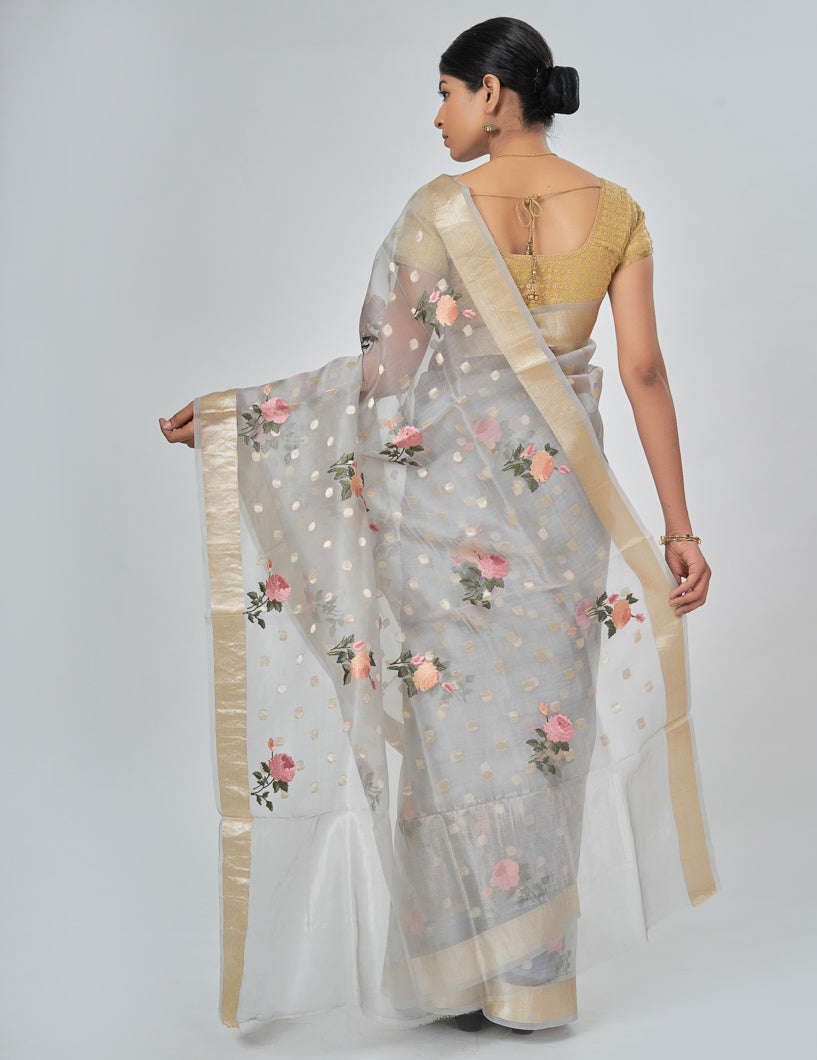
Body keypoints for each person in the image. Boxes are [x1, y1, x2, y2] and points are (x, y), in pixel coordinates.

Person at [159, 16, 718, 1036]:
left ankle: (462, 976)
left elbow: (385, 378)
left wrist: (246, 416)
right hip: (563, 522)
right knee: (544, 738)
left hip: (443, 524)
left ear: (493, 95)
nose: (438, 115)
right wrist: (681, 530)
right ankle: (531, 980)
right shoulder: (619, 214)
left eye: (448, 93)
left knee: (455, 738)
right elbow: (643, 371)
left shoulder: (438, 212)